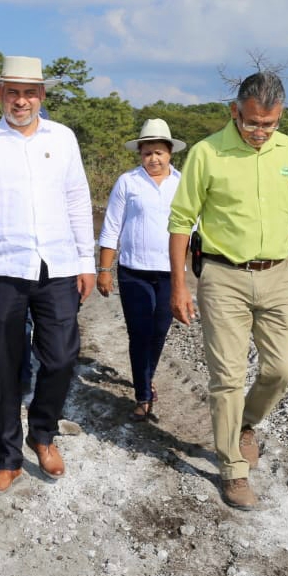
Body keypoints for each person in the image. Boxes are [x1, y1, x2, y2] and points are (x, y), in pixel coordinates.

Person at [0, 56, 95, 497]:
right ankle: (7, 459)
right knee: (6, 368)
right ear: (0, 95)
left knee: (63, 357)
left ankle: (42, 432)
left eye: (30, 93)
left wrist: (86, 261)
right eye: (13, 92)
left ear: (42, 96)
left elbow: (77, 201)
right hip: (1, 268)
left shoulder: (63, 139)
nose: (21, 100)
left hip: (57, 265)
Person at [168, 71, 288, 510]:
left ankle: (246, 424)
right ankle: (232, 468)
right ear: (235, 111)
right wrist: (180, 285)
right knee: (228, 377)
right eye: (252, 123)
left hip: (278, 275)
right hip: (223, 276)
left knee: (284, 369)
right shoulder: (207, 153)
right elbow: (180, 221)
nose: (259, 132)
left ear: (280, 117)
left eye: (268, 124)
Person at [97, 118, 184, 421]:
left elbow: (193, 228)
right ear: (140, 154)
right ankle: (143, 394)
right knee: (139, 332)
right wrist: (104, 269)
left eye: (159, 152)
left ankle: (147, 376)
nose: (154, 159)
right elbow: (110, 228)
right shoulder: (128, 182)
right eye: (148, 153)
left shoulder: (182, 184)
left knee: (159, 331)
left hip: (169, 272)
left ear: (170, 153)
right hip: (133, 270)